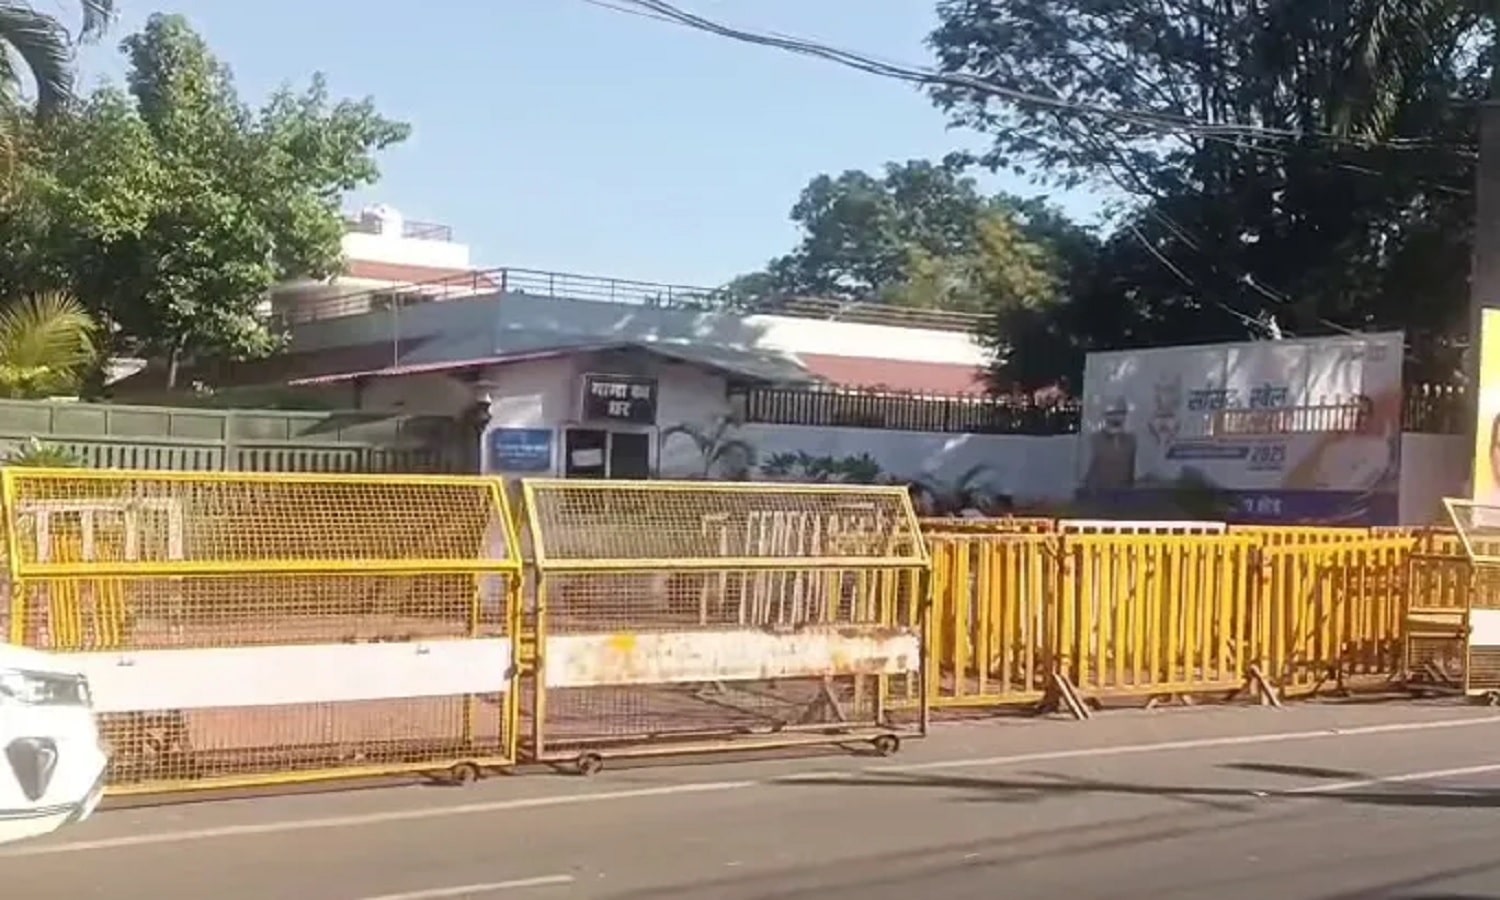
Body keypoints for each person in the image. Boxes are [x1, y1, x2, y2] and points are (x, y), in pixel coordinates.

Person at [1083, 399, 1137, 492]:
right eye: (1111, 414)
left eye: (1120, 413)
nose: (1116, 418)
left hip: (1124, 497)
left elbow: (1134, 473)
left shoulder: (1131, 441)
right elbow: (1086, 475)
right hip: (1098, 497)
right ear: (1105, 416)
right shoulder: (1093, 440)